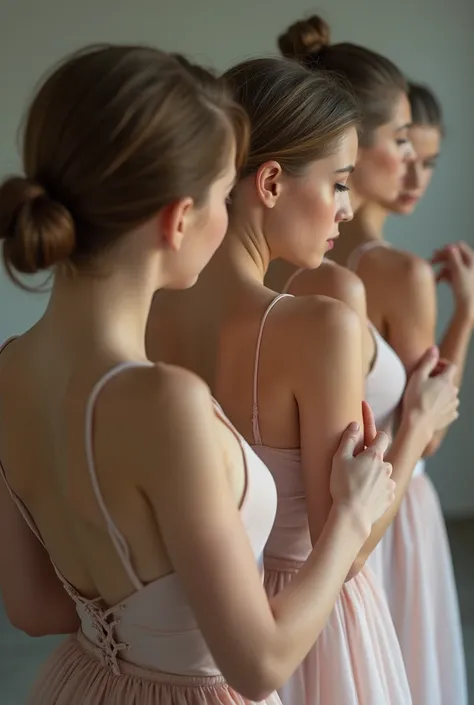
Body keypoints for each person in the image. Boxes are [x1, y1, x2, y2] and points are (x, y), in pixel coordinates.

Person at [0, 45, 399, 705]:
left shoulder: (8, 368)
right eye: (222, 195)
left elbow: (35, 608)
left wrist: (137, 622)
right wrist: (353, 514)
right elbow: (260, 662)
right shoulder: (165, 400)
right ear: (178, 218)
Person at [148, 56, 458, 705]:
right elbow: (342, 553)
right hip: (311, 627)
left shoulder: (155, 305)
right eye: (339, 183)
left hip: (201, 628)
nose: (345, 208)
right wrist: (420, 424)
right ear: (269, 182)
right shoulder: (317, 326)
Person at [277, 17, 469, 702]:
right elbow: (430, 428)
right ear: (355, 142)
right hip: (376, 517)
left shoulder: (280, 263)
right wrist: (467, 320)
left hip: (301, 531)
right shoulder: (387, 275)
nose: (413, 166)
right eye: (401, 143)